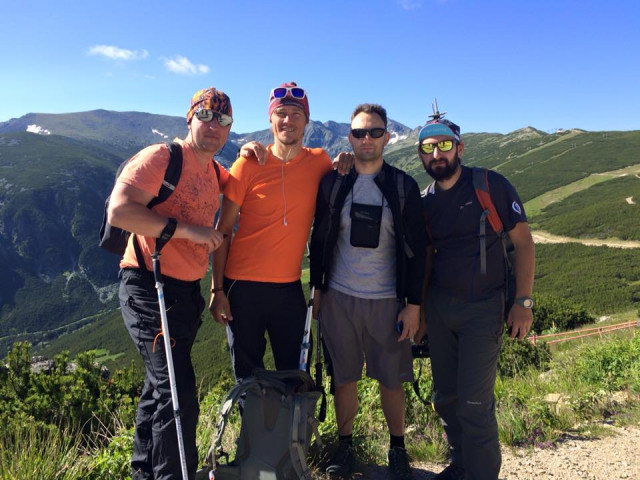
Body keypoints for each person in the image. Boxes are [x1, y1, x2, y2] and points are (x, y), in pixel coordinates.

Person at [107, 87, 232, 480]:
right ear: (190, 118)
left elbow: (247, 182)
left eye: (223, 120)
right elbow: (119, 211)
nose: (214, 126)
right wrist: (189, 232)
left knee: (158, 388)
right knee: (178, 393)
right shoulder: (162, 158)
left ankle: (143, 472)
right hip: (149, 284)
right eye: (206, 116)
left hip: (184, 293)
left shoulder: (215, 171)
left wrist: (253, 153)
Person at [309, 103, 427, 480]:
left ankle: (397, 449)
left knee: (392, 379)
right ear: (350, 138)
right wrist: (317, 287)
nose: (367, 139)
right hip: (338, 298)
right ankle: (346, 447)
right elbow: (319, 238)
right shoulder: (334, 182)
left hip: (387, 302)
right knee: (343, 378)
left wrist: (413, 304)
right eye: (359, 133)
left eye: (375, 132)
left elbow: (418, 249)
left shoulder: (402, 186)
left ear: (386, 137)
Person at [417, 114, 535, 480]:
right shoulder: (425, 202)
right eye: (428, 148)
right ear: (421, 155)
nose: (437, 154)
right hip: (440, 309)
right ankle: (461, 464)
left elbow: (523, 243)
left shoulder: (490, 185)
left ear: (460, 148)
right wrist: (421, 312)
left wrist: (523, 302)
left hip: (483, 309)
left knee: (473, 402)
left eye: (444, 145)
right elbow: (427, 258)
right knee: (446, 398)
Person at [210, 82, 334, 382]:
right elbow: (223, 230)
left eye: (296, 114)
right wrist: (217, 290)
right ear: (270, 119)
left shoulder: (320, 162)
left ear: (307, 120)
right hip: (241, 288)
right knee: (248, 381)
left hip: (288, 287)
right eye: (281, 113)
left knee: (296, 376)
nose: (288, 120)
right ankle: (253, 417)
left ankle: (290, 417)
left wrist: (347, 161)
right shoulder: (248, 164)